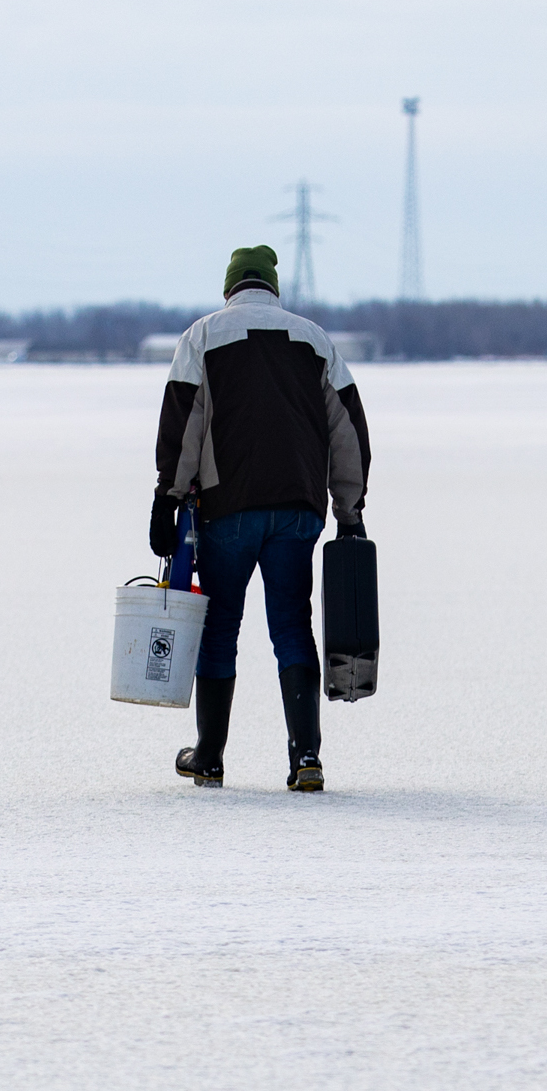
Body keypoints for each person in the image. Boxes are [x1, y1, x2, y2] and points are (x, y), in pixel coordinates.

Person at [150, 244, 371, 792]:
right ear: (273, 288)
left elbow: (186, 423)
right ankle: (306, 760)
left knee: (220, 628)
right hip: (298, 509)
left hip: (228, 509)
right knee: (293, 627)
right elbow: (348, 432)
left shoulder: (202, 337)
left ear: (230, 289)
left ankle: (209, 756)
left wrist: (168, 497)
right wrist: (350, 509)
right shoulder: (313, 339)